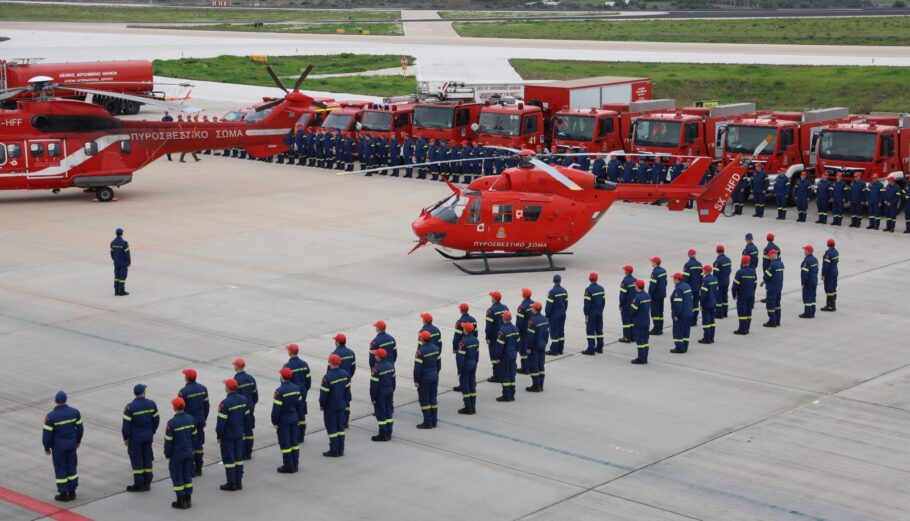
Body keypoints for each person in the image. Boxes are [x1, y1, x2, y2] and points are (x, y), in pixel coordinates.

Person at [43, 391, 83, 502]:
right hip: (71, 445)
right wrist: (78, 441)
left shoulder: (50, 417)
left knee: (61, 469)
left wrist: (47, 447)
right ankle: (72, 492)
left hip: (58, 448)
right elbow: (80, 428)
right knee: (72, 467)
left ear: (55, 401)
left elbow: (47, 435)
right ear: (66, 400)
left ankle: (63, 494)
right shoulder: (75, 412)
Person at [123, 383, 159, 492]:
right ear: (143, 392)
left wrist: (126, 438)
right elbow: (156, 420)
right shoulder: (151, 404)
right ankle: (147, 482)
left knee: (137, 460)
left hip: (135, 438)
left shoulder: (130, 407)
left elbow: (126, 425)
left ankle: (139, 484)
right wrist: (152, 431)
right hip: (148, 437)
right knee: (147, 458)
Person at [215, 378, 250, 492]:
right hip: (239, 434)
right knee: (238, 458)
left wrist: (219, 435)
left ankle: (231, 483)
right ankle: (239, 481)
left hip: (228, 436)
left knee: (229, 459)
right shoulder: (244, 400)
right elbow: (247, 418)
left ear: (228, 388)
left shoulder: (225, 404)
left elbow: (221, 423)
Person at [164, 397, 196, 510]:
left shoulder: (172, 423)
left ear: (174, 407)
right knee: (187, 475)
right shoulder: (191, 419)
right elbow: (194, 436)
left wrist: (167, 453)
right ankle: (188, 499)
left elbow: (168, 441)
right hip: (188, 452)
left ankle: (181, 501)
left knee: (177, 476)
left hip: (177, 454)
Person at [177, 368, 209, 477]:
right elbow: (206, 406)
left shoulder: (183, 392)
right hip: (200, 420)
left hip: (189, 422)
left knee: (189, 445)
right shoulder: (203, 389)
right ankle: (199, 467)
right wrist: (204, 418)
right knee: (199, 445)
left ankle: (191, 469)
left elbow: (180, 408)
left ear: (187, 378)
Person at [320, 354, 352, 456]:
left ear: (330, 363)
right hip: (342, 404)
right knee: (340, 427)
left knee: (332, 428)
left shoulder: (327, 377)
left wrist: (322, 405)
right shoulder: (345, 374)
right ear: (339, 362)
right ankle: (340, 449)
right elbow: (347, 391)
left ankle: (334, 450)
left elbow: (324, 394)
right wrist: (346, 402)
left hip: (331, 406)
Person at [273, 367, 303, 473]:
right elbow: (300, 406)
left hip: (283, 421)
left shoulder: (279, 391)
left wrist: (274, 421)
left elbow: (276, 409)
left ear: (282, 377)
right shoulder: (296, 388)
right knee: (294, 443)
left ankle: (288, 466)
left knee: (285, 445)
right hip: (294, 418)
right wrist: (299, 418)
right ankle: (295, 464)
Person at [282, 344, 311, 444]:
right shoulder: (304, 364)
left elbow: (283, 383)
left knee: (292, 415)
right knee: (301, 415)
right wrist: (305, 390)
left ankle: (293, 436)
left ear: (290, 352)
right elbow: (308, 380)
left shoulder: (287, 366)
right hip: (302, 393)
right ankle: (301, 436)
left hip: (291, 395)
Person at [413, 330, 441, 429]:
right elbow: (438, 365)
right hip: (434, 376)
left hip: (425, 378)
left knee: (424, 400)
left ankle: (427, 422)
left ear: (422, 339)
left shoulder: (420, 351)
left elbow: (417, 368)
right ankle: (434, 421)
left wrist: (416, 380)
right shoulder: (436, 348)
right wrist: (435, 373)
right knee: (433, 398)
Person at [232, 358, 258, 460]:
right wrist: (252, 405)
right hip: (250, 408)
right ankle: (249, 452)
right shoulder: (251, 378)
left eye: (234, 365)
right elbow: (255, 396)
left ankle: (242, 453)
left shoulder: (235, 380)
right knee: (249, 431)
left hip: (240, 411)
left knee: (241, 432)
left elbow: (234, 397)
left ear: (237, 367)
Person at [369, 348, 396, 441]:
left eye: (376, 355)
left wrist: (373, 398)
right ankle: (389, 433)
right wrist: (392, 390)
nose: (374, 356)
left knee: (380, 414)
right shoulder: (391, 366)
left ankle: (383, 434)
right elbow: (393, 381)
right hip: (389, 391)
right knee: (389, 412)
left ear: (379, 357)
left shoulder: (376, 369)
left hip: (381, 393)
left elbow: (374, 386)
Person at [330, 333, 356, 428]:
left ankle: (338, 422)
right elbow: (353, 367)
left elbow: (330, 370)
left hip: (336, 382)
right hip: (347, 380)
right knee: (346, 400)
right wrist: (348, 377)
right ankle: (345, 421)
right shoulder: (351, 353)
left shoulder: (334, 355)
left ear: (337, 342)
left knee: (336, 401)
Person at [456, 322, 480, 415]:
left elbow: (460, 358)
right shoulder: (476, 340)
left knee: (465, 386)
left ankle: (468, 408)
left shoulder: (463, 342)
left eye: (463, 328)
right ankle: (473, 407)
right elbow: (477, 354)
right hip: (473, 363)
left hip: (466, 365)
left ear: (466, 330)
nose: (463, 329)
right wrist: (475, 363)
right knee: (472, 385)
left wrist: (459, 370)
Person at [524, 302, 549, 392]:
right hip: (542, 345)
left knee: (533, 365)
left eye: (532, 308)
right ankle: (541, 384)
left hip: (534, 346)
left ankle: (536, 385)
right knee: (541, 365)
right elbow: (547, 334)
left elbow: (531, 336)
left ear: (534, 309)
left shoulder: (532, 321)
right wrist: (545, 342)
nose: (531, 309)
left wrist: (528, 347)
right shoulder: (545, 319)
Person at [497, 311, 520, 402]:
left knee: (505, 375)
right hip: (513, 354)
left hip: (505, 355)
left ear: (504, 318)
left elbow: (500, 346)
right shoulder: (515, 328)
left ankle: (506, 395)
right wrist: (515, 351)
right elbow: (518, 342)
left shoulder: (502, 330)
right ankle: (512, 394)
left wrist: (498, 357)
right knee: (512, 374)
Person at [485, 293, 509, 380]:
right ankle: (503, 372)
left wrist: (488, 337)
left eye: (492, 297)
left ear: (494, 299)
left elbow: (488, 326)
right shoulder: (505, 307)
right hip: (504, 334)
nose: (491, 298)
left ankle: (497, 375)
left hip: (494, 336)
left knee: (494, 356)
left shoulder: (490, 311)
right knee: (502, 354)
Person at [732, 255, 757, 335]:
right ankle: (747, 328)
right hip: (751, 295)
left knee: (742, 312)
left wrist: (734, 294)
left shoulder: (739, 272)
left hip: (743, 295)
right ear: (748, 262)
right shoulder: (753, 272)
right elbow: (755, 284)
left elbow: (735, 285)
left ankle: (742, 329)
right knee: (748, 312)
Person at [582, 272, 606, 355]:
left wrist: (586, 314)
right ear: (597, 279)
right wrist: (601, 310)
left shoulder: (588, 290)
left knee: (590, 330)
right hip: (599, 312)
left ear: (589, 279)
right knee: (599, 329)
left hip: (592, 313)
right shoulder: (601, 288)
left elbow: (587, 304)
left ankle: (591, 349)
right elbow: (603, 302)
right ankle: (600, 347)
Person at [669, 273, 693, 352]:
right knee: (686, 330)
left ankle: (679, 348)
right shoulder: (687, 286)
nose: (673, 280)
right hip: (688, 312)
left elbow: (678, 304)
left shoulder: (678, 289)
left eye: (674, 279)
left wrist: (676, 314)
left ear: (677, 280)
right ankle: (685, 347)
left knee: (678, 331)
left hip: (681, 314)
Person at [545, 275, 568, 355]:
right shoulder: (564, 291)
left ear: (553, 281)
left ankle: (554, 350)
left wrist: (547, 316)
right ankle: (560, 349)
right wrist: (563, 311)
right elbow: (566, 304)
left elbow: (549, 306)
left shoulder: (552, 292)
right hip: (562, 314)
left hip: (554, 315)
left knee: (554, 332)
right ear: (560, 281)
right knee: (561, 331)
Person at [630, 280, 652, 364]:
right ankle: (645, 357)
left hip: (639, 321)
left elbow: (633, 310)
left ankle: (641, 358)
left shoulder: (637, 298)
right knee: (646, 340)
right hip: (646, 320)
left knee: (640, 340)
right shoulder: (648, 296)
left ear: (637, 287)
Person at [762, 249, 784, 327]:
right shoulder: (781, 263)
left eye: (769, 256)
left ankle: (772, 321)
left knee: (770, 305)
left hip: (772, 288)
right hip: (779, 287)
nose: (769, 258)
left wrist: (764, 280)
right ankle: (777, 320)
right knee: (777, 304)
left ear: (772, 255)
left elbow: (766, 276)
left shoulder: (772, 265)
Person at [516, 288, 534, 374]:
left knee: (523, 349)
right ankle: (530, 366)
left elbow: (519, 321)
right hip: (532, 330)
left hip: (524, 331)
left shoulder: (522, 307)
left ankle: (525, 368)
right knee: (531, 348)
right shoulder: (533, 304)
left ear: (523, 295)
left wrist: (517, 332)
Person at [698, 265, 718, 344]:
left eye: (704, 270)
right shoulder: (714, 279)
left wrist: (701, 304)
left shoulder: (705, 280)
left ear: (706, 271)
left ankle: (707, 338)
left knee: (706, 321)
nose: (703, 271)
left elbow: (703, 294)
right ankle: (711, 337)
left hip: (707, 303)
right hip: (713, 302)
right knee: (712, 321)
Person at [648, 257, 668, 335]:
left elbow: (652, 286)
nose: (651, 263)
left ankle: (656, 329)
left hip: (655, 296)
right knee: (660, 311)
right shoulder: (663, 270)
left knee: (655, 313)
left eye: (652, 262)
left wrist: (650, 295)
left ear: (655, 263)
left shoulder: (655, 273)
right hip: (662, 294)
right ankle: (660, 328)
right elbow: (665, 282)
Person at [683, 249, 703, 326]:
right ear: (695, 255)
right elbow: (701, 277)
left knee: (689, 304)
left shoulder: (687, 265)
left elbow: (685, 278)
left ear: (689, 255)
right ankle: (694, 320)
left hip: (689, 288)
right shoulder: (699, 264)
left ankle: (690, 320)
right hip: (697, 288)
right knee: (696, 304)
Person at [618, 265, 637, 343]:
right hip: (634, 304)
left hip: (626, 305)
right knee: (632, 321)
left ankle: (626, 338)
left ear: (626, 272)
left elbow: (622, 295)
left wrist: (621, 304)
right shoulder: (635, 280)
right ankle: (633, 336)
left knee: (626, 322)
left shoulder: (625, 281)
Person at [799, 245, 819, 319]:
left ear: (808, 251)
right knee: (813, 296)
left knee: (807, 297)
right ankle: (812, 312)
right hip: (814, 280)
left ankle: (807, 313)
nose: (804, 251)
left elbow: (804, 274)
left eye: (805, 250)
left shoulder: (806, 262)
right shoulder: (815, 260)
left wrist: (803, 283)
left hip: (808, 282)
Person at [110, 227, 131, 296]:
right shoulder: (124, 243)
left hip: (116, 262)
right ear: (122, 234)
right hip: (123, 263)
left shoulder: (112, 243)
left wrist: (115, 259)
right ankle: (121, 291)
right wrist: (128, 262)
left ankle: (116, 291)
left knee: (116, 276)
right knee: (122, 277)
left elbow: (112, 253)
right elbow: (127, 254)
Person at [713, 245, 732, 319]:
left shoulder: (717, 262)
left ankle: (719, 314)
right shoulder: (728, 259)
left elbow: (715, 275)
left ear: (717, 251)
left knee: (719, 298)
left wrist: (714, 284)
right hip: (726, 280)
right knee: (725, 296)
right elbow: (729, 270)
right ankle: (725, 312)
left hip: (720, 282)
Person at [821, 238, 840, 312]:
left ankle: (830, 306)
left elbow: (826, 266)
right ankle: (833, 302)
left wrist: (823, 274)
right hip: (835, 272)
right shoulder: (836, 252)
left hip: (829, 273)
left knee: (829, 289)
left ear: (827, 245)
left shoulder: (828, 254)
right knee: (834, 288)